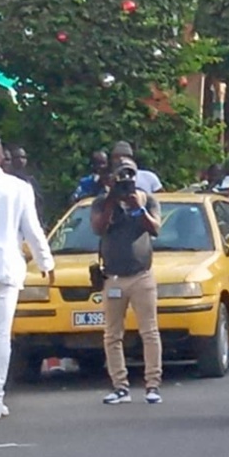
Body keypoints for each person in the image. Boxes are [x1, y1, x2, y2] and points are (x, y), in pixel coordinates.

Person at [90, 157, 163, 405]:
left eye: (131, 174)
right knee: (112, 334)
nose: (127, 180)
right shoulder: (102, 202)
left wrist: (137, 208)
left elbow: (155, 229)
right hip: (113, 277)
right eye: (122, 175)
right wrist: (112, 200)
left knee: (149, 331)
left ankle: (152, 385)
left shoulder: (146, 199)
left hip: (142, 275)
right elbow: (98, 228)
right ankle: (120, 386)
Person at [0, 140, 54, 419]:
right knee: (0, 335)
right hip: (5, 268)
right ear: (1, 158)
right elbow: (32, 230)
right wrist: (46, 262)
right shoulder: (18, 188)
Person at [9, 146, 44, 222]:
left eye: (23, 157)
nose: (21, 160)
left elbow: (38, 202)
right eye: (17, 157)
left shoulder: (31, 180)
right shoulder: (6, 180)